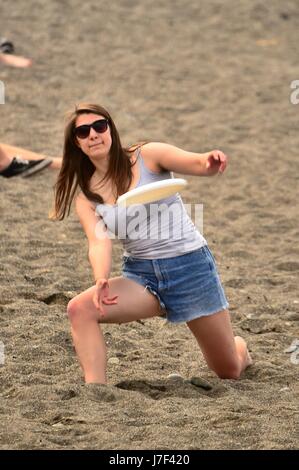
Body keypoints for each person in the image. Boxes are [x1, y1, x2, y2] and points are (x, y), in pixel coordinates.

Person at [52, 103, 252, 384]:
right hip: (142, 276)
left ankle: (239, 346)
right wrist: (101, 278)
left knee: (228, 370)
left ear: (111, 129)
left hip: (190, 267)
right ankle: (94, 389)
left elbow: (196, 163)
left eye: (100, 126)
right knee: (80, 309)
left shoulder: (147, 155)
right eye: (83, 132)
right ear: (77, 142)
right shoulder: (86, 195)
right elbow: (98, 242)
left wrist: (210, 162)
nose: (93, 135)